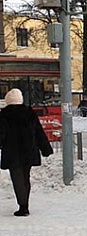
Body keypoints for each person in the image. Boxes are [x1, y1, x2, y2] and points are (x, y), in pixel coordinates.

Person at [0, 89, 54, 217]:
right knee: (25, 178)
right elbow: (38, 132)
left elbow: (1, 134)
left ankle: (22, 206)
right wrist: (45, 149)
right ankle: (25, 204)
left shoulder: (4, 114)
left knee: (17, 179)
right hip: (29, 150)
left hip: (12, 152)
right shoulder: (29, 112)